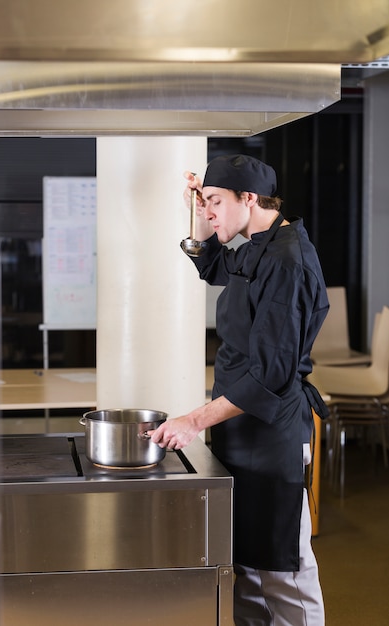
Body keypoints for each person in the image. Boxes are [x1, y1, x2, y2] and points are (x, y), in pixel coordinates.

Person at [150, 154, 329, 626]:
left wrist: (193, 420)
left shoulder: (288, 261)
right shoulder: (256, 244)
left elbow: (270, 376)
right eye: (205, 201)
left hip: (274, 435)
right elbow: (212, 266)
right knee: (247, 566)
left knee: (284, 571)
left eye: (215, 202)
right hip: (240, 428)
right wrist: (199, 209)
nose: (208, 212)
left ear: (248, 198)